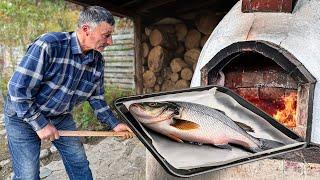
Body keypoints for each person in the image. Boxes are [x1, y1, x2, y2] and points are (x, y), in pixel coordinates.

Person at [4, 6, 133, 180]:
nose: (110, 42)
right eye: (106, 35)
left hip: (60, 116)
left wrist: (114, 124)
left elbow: (96, 97)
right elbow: (17, 90)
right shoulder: (50, 45)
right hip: (22, 116)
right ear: (86, 30)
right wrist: (40, 124)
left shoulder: (97, 61)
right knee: (28, 174)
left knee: (78, 162)